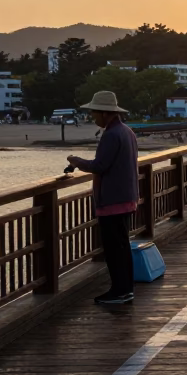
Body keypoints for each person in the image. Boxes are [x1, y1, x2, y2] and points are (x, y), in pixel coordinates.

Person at [67, 91, 139, 307]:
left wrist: (76, 161)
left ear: (105, 113)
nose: (92, 117)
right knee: (122, 247)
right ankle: (126, 289)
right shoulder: (127, 131)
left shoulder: (111, 135)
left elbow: (100, 166)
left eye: (94, 113)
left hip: (112, 200)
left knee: (114, 249)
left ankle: (119, 291)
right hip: (126, 196)